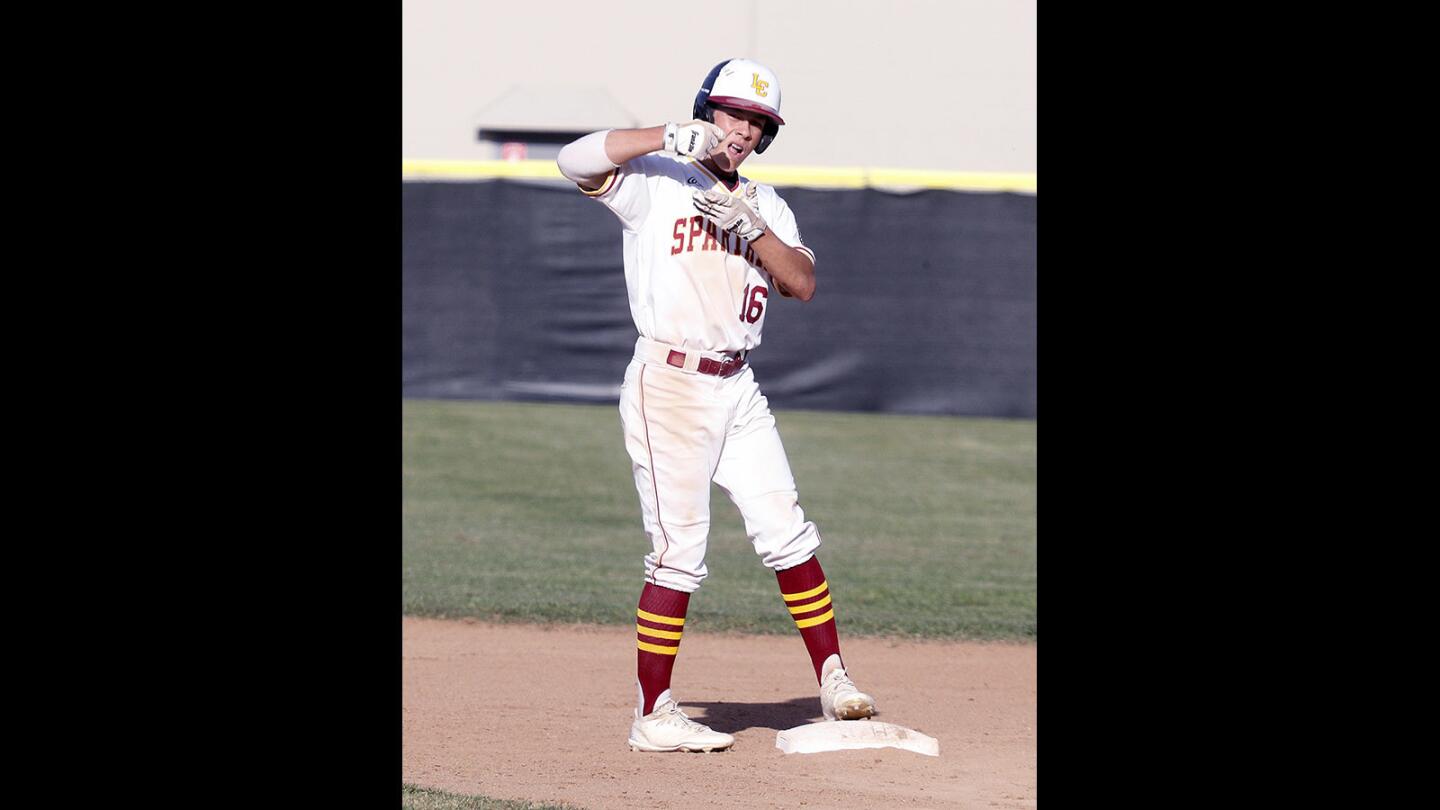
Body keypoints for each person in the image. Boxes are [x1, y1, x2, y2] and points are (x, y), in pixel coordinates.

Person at [556, 58, 876, 753]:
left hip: (737, 384)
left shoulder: (768, 202)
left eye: (756, 122)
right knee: (679, 554)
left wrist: (751, 223)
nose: (742, 130)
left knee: (789, 533)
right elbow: (571, 160)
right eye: (732, 114)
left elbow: (802, 280)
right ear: (707, 111)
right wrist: (663, 137)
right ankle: (653, 714)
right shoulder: (658, 181)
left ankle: (834, 678)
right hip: (668, 380)